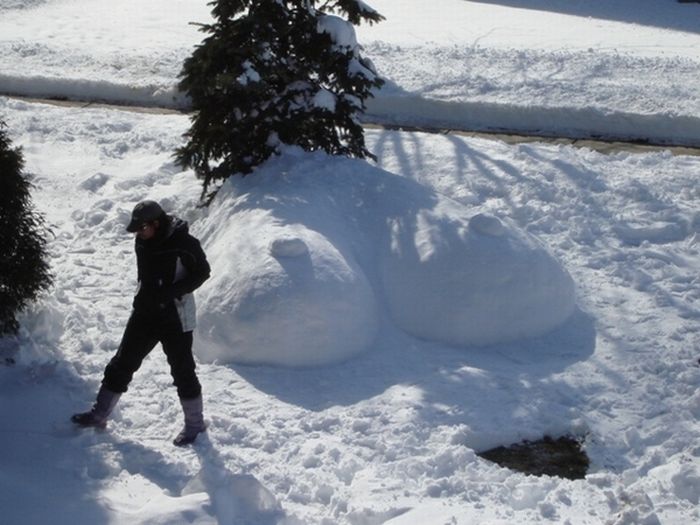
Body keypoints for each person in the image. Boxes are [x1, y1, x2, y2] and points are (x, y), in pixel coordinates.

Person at [71, 200, 211, 446]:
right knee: (122, 362)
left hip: (176, 315)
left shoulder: (185, 244)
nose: (138, 234)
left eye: (142, 228)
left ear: (156, 224)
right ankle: (100, 414)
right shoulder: (143, 240)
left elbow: (202, 272)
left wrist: (172, 292)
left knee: (182, 370)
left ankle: (195, 426)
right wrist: (144, 296)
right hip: (145, 312)